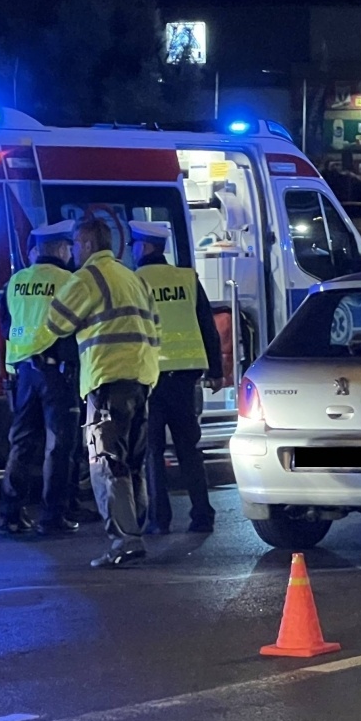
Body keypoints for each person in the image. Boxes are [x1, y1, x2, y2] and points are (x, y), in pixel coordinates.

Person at [45, 215, 160, 568]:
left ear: (89, 244)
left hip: (106, 380)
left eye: (77, 245)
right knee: (133, 464)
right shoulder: (132, 277)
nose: (74, 251)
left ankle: (124, 541)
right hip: (142, 379)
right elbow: (156, 328)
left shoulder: (89, 278)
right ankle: (133, 531)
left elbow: (56, 322)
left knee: (107, 464)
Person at [130, 220, 223, 535]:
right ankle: (202, 516)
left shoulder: (135, 281)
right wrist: (216, 371)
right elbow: (207, 326)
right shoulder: (187, 278)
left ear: (144, 247)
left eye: (133, 245)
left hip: (150, 379)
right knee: (188, 448)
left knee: (152, 452)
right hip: (185, 378)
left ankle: (160, 520)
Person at [0, 220, 83, 537]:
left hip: (23, 373)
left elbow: (6, 326)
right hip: (57, 373)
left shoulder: (16, 280)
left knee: (20, 444)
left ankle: (10, 513)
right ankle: (52, 516)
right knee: (58, 447)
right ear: (61, 248)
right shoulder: (69, 281)